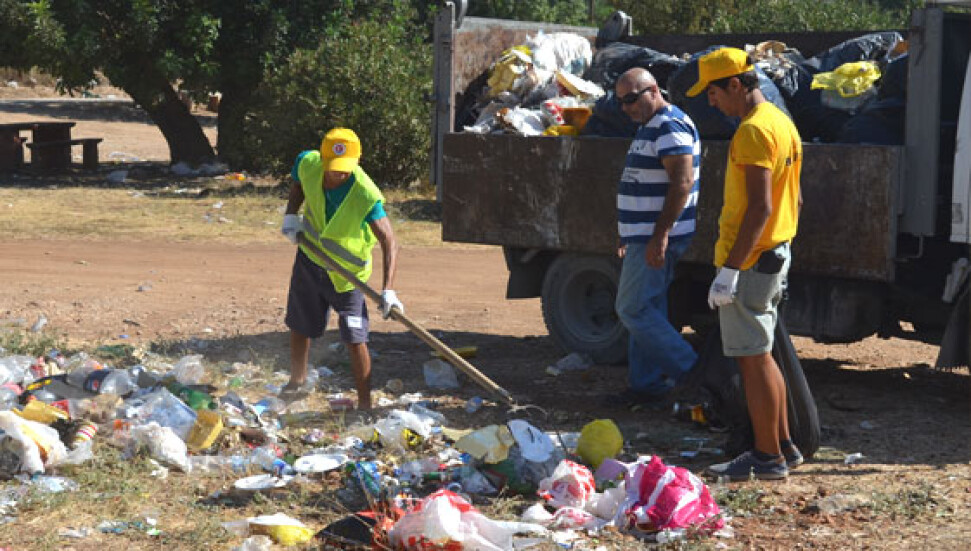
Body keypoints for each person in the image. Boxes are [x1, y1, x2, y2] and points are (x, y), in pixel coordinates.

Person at [685, 48, 804, 480]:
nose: (711, 102)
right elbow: (794, 199)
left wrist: (731, 270)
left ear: (736, 84)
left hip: (752, 261)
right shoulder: (781, 122)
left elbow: (759, 208)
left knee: (752, 360)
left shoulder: (753, 132)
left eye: (714, 93)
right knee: (763, 355)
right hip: (773, 253)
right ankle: (784, 446)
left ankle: (768, 456)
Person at [280, 127, 403, 410]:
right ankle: (297, 382)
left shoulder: (365, 193)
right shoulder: (308, 163)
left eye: (346, 168)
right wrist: (291, 215)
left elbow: (389, 240)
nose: (340, 174)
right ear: (323, 160)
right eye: (334, 168)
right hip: (310, 260)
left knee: (354, 336)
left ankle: (364, 405)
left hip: (349, 280)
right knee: (300, 324)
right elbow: (298, 184)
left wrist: (388, 290)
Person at [611, 67, 701, 408]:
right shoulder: (650, 126)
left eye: (632, 99)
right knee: (649, 309)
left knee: (632, 309)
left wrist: (659, 236)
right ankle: (646, 385)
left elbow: (682, 183)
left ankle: (697, 375)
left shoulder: (669, 125)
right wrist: (628, 231)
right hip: (643, 236)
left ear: (653, 90)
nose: (626, 107)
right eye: (621, 102)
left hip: (655, 237)